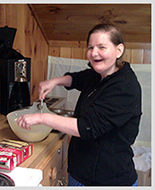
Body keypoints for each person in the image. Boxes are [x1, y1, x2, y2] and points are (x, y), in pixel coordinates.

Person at [17, 23, 142, 186]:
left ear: (119, 50)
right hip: (80, 172)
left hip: (106, 180)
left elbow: (87, 128)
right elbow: (80, 78)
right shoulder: (102, 73)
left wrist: (42, 117)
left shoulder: (124, 88)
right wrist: (55, 81)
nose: (94, 53)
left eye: (101, 47)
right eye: (90, 47)